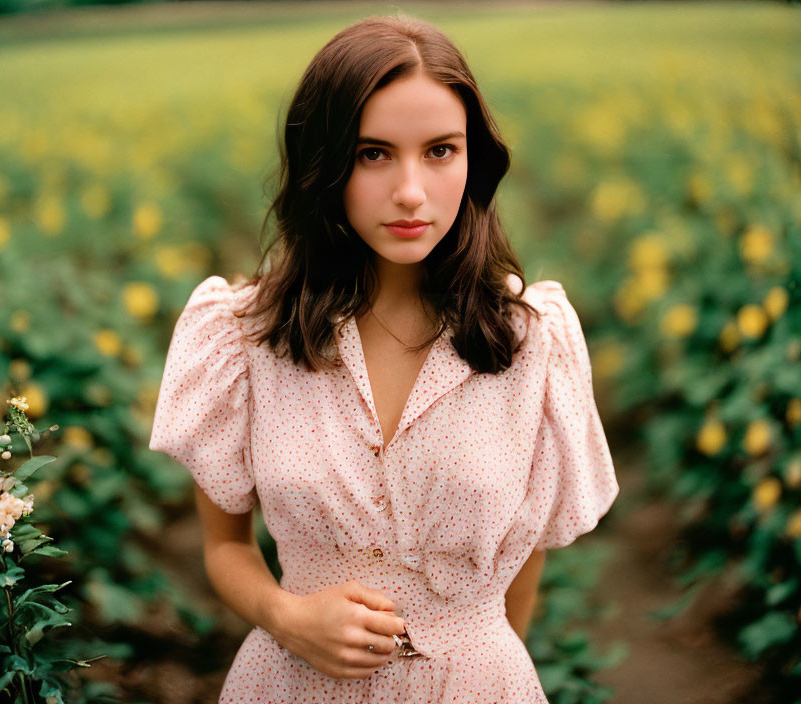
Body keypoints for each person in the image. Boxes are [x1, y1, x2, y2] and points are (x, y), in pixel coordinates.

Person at [149, 13, 619, 703]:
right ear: (325, 163)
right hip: (289, 683)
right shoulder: (246, 334)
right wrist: (288, 616)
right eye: (373, 153)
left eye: (440, 151)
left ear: (472, 158)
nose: (410, 191)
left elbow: (521, 574)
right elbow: (224, 546)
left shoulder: (529, 340)